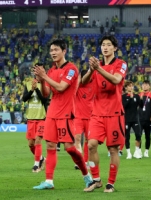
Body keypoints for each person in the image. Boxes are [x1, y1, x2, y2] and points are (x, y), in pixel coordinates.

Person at [33, 39, 92, 190]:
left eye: (56, 50)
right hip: (52, 113)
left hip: (66, 113)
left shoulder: (71, 69)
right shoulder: (52, 71)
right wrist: (41, 81)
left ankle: (87, 176)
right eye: (51, 50)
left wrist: (44, 76)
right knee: (50, 145)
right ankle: (49, 181)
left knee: (70, 148)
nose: (53, 53)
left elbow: (61, 87)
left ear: (64, 51)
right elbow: (47, 94)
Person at [82, 35, 126, 193]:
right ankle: (96, 180)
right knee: (91, 145)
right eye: (103, 45)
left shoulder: (121, 64)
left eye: (108, 45)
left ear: (115, 48)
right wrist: (90, 70)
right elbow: (83, 82)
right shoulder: (96, 66)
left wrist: (98, 69)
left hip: (114, 113)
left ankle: (111, 183)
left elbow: (116, 80)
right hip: (97, 113)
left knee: (113, 149)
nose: (105, 47)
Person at [22, 73, 47, 173]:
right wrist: (32, 89)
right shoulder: (28, 84)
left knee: (38, 141)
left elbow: (44, 100)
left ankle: (36, 164)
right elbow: (24, 99)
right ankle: (41, 158)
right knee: (31, 144)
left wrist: (36, 89)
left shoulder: (45, 85)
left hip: (41, 117)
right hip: (30, 117)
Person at [74, 69, 94, 169]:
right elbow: (73, 89)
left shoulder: (93, 84)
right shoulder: (78, 86)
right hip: (78, 117)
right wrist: (78, 78)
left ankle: (86, 161)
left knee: (88, 141)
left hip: (90, 117)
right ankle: (79, 161)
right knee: (77, 138)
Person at [122, 81, 143, 159]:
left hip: (135, 119)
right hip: (127, 119)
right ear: (126, 88)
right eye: (129, 86)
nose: (131, 87)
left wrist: (141, 100)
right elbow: (124, 106)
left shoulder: (136, 96)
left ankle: (137, 152)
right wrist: (130, 98)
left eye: (132, 86)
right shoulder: (123, 97)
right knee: (127, 137)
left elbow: (141, 106)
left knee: (138, 135)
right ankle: (128, 153)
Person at [139, 80, 151, 158]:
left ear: (149, 86)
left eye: (146, 85)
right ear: (142, 86)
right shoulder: (139, 95)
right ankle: (139, 151)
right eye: (143, 84)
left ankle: (146, 151)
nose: (145, 86)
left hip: (148, 119)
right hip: (139, 119)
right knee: (138, 136)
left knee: (148, 136)